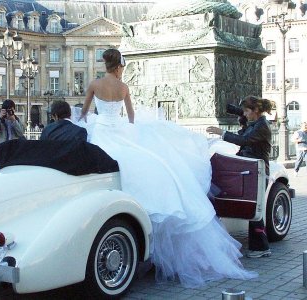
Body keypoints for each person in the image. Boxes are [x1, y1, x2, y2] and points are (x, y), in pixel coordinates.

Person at [78, 48, 257, 288]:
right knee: (152, 162)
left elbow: (85, 113)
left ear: (104, 64)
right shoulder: (123, 88)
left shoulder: (94, 84)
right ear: (119, 66)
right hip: (120, 131)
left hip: (101, 132)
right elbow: (131, 118)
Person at [206, 96, 273, 258]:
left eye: (246, 111)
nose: (244, 113)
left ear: (255, 111)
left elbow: (243, 140)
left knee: (256, 210)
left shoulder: (262, 126)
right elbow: (244, 137)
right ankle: (260, 247)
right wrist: (243, 122)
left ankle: (260, 248)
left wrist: (222, 133)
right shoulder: (255, 124)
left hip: (259, 170)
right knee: (253, 210)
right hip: (252, 169)